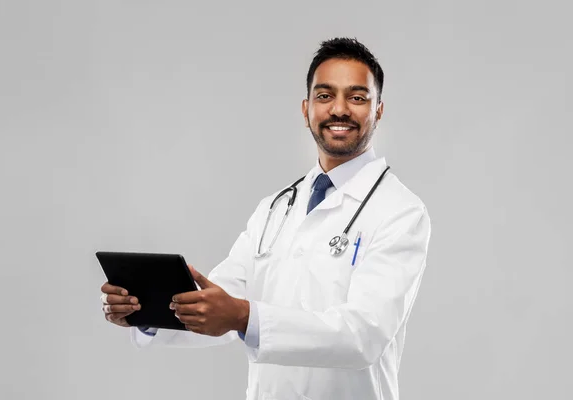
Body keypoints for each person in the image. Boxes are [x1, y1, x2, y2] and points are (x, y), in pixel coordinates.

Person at [100, 37, 431, 400]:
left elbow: (362, 336)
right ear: (306, 109)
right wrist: (146, 312)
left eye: (356, 97)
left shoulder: (400, 211)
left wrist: (244, 317)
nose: (339, 109)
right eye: (324, 96)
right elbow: (220, 303)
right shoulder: (275, 208)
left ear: (378, 110)